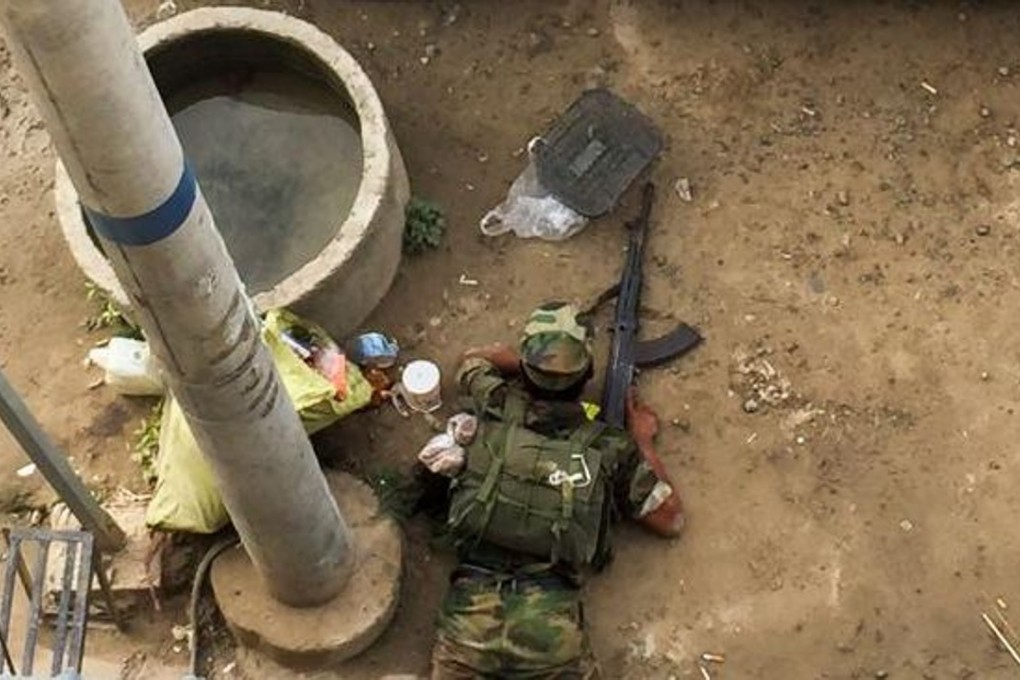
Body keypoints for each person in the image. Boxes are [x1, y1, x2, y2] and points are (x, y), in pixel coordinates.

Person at [425, 301, 685, 679]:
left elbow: (471, 361)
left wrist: (533, 361)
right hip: (551, 634)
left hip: (468, 629)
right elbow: (671, 519)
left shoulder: (495, 404)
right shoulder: (607, 447)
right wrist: (642, 439)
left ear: (524, 370)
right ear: (588, 374)